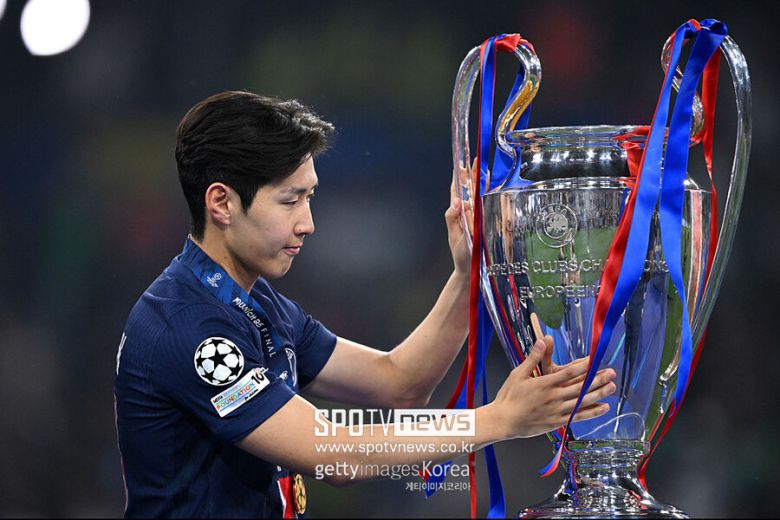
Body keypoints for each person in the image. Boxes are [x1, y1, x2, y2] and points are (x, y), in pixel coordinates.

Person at [113, 90, 616, 518]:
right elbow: (334, 453)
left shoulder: (253, 303)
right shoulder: (189, 326)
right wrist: (499, 419)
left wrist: (468, 275)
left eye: (310, 197)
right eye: (289, 201)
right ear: (221, 203)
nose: (308, 223)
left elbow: (399, 383)